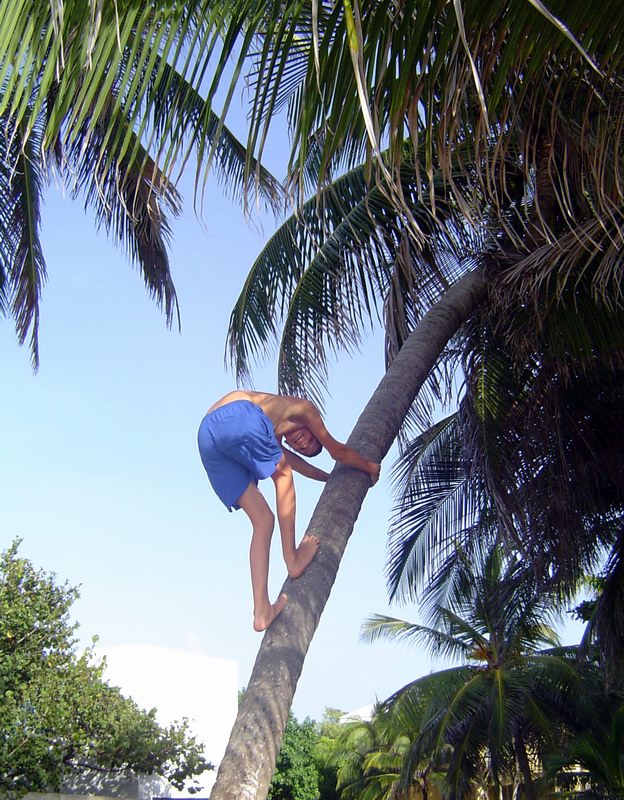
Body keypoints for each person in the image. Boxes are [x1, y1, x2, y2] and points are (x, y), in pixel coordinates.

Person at [198, 390, 381, 631]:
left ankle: (261, 610)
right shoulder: (304, 409)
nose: (303, 443)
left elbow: (300, 467)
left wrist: (330, 479)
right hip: (234, 415)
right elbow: (337, 451)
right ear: (311, 428)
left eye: (305, 447)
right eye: (310, 439)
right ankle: (292, 557)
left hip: (208, 440)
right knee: (283, 476)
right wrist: (370, 467)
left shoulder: (267, 433)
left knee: (263, 520)